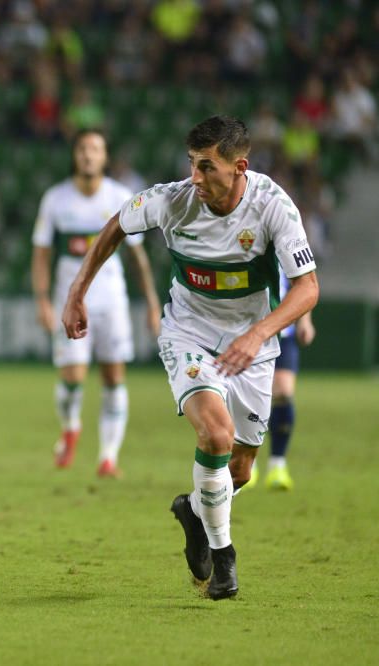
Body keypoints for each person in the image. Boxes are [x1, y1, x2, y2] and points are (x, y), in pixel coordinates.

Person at [61, 116, 318, 600]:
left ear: (239, 167)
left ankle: (196, 513)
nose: (195, 177)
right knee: (215, 434)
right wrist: (77, 291)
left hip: (252, 346)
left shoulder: (273, 207)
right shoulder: (173, 200)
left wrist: (259, 333)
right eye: (191, 165)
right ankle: (224, 561)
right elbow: (116, 225)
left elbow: (308, 288)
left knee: (239, 469)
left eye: (206, 167)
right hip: (188, 333)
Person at [31, 129, 161, 477]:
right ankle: (71, 425)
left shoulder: (121, 197)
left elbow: (138, 258)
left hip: (111, 300)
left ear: (105, 157)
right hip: (69, 298)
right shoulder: (56, 199)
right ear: (75, 155)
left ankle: (108, 456)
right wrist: (42, 300)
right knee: (73, 375)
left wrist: (151, 304)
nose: (89, 155)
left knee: (113, 376)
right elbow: (41, 254)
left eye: (96, 149)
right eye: (83, 149)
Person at [257, 274, 316, 490]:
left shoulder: (286, 241)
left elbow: (303, 280)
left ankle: (277, 465)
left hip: (284, 331)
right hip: (246, 330)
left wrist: (305, 320)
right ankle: (247, 460)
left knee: (283, 391)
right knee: (247, 394)